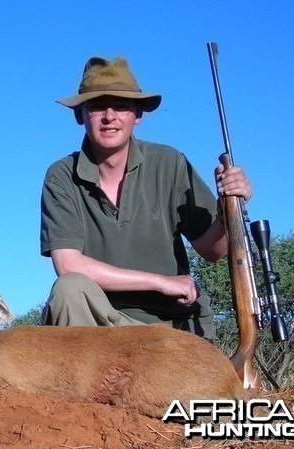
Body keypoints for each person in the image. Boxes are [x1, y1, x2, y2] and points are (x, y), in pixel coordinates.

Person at [40, 56, 252, 341]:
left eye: (123, 106)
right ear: (80, 115)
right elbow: (68, 265)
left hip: (169, 328)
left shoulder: (170, 162)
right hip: (97, 326)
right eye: (98, 106)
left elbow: (212, 251)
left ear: (138, 114)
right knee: (68, 288)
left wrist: (226, 211)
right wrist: (160, 282)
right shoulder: (61, 175)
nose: (110, 116)